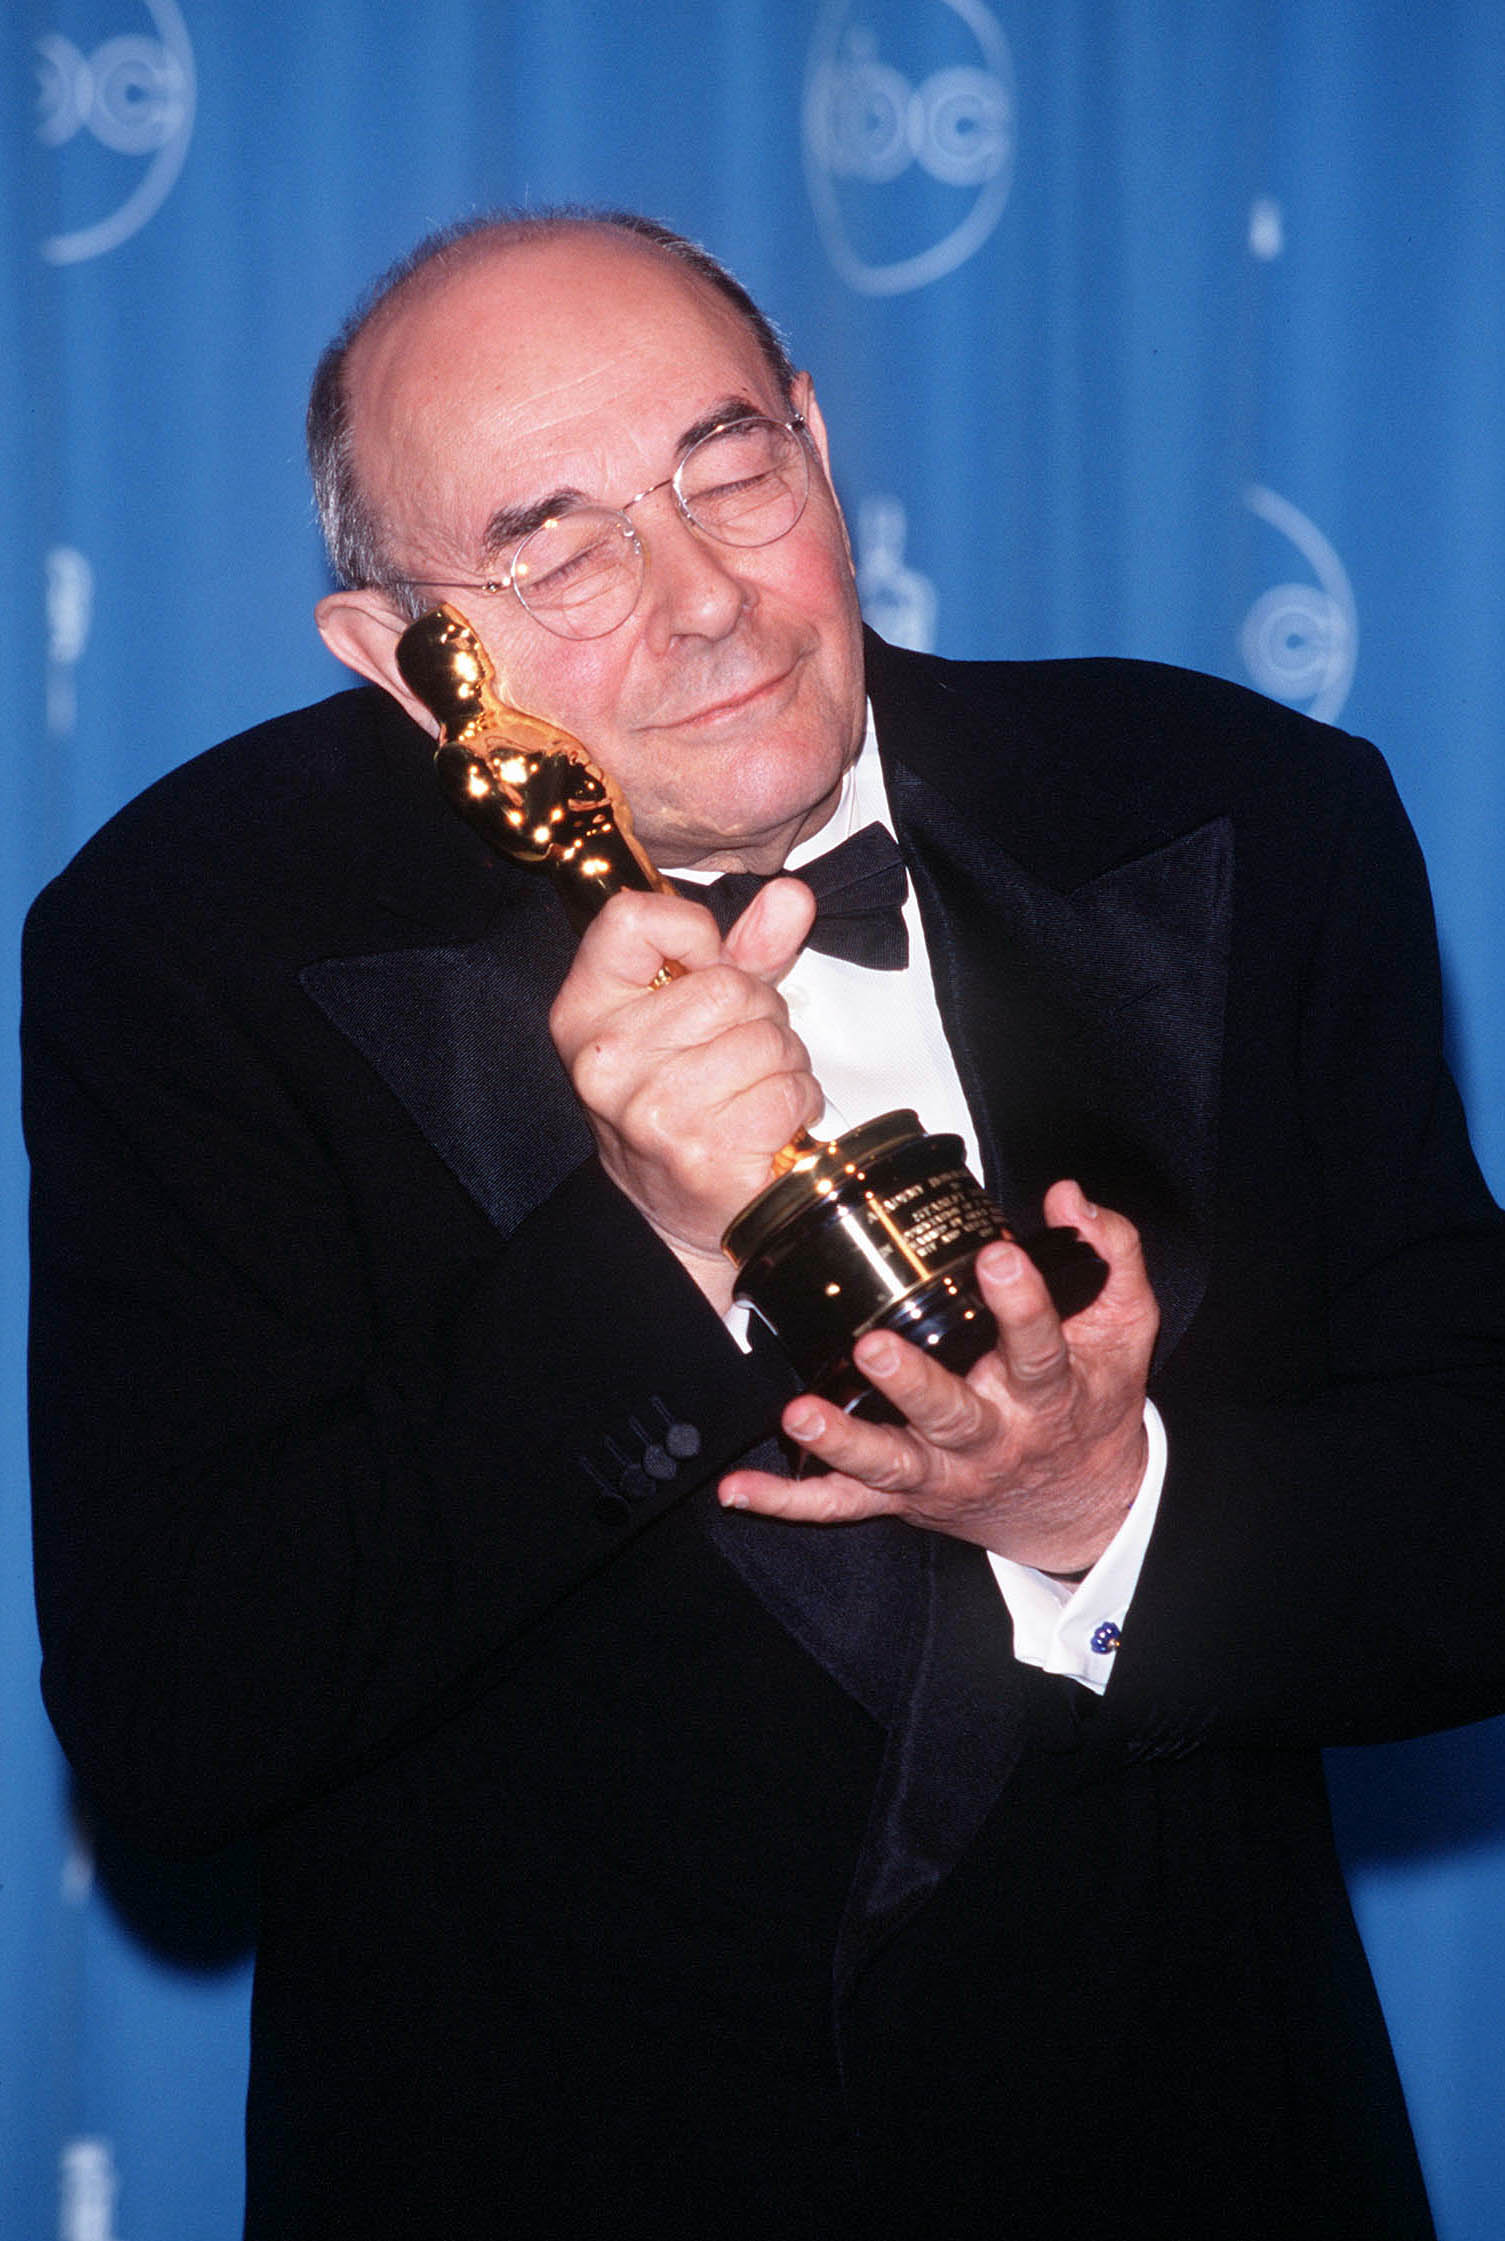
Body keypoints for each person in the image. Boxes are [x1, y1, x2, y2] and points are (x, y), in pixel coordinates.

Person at [23, 210, 1505, 2240]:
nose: (705, 603)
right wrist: (645, 1253)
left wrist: (1109, 1506)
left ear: (817, 441)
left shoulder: (1253, 804)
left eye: (731, 467)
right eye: (551, 543)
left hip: (1194, 2145)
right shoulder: (188, 942)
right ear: (394, 654)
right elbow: (182, 1713)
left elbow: (1475, 1515)